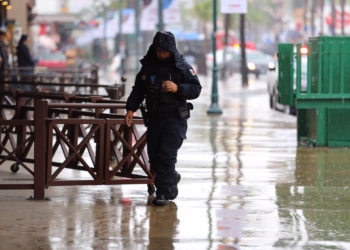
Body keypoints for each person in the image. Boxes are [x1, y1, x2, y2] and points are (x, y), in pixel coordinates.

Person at [124, 31, 202, 206]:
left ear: (171, 50)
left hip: (175, 119)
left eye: (165, 51)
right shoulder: (148, 67)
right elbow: (138, 90)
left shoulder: (182, 67)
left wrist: (178, 88)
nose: (161, 54)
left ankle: (163, 194)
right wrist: (130, 108)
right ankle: (171, 177)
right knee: (155, 158)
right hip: (154, 119)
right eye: (158, 51)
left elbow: (196, 89)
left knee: (166, 156)